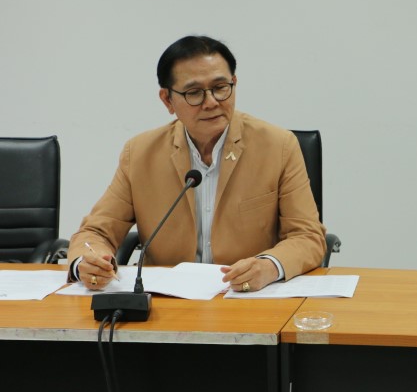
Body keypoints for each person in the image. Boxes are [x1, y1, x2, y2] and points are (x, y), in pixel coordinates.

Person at [66, 35, 325, 291]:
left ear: (234, 83)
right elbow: (96, 232)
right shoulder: (140, 154)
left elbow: (307, 236)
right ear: (167, 100)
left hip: (248, 295)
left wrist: (269, 266)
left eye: (220, 87)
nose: (211, 102)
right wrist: (88, 262)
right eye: (194, 93)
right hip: (167, 301)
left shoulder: (278, 146)